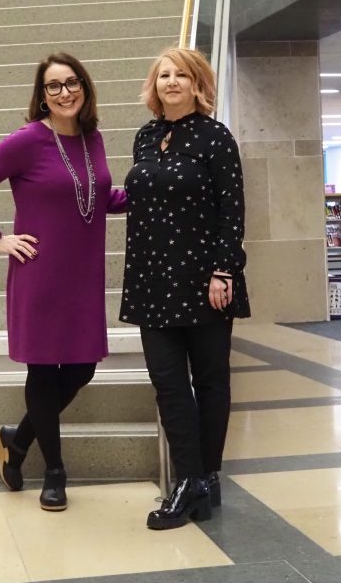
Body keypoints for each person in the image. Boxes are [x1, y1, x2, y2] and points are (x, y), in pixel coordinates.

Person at [0, 52, 127, 512]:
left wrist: (145, 192)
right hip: (41, 274)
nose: (65, 92)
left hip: (83, 276)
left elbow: (95, 196)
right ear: (42, 95)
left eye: (72, 83)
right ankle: (54, 472)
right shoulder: (29, 140)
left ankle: (16, 440)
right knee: (44, 370)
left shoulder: (92, 138)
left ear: (84, 87)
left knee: (82, 369)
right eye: (54, 86)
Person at [120, 47, 250, 530]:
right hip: (152, 280)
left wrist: (224, 271)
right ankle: (191, 479)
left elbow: (232, 210)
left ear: (198, 85)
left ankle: (204, 477)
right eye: (163, 76)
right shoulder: (146, 137)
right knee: (169, 384)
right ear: (153, 86)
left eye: (181, 75)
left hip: (204, 280)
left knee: (211, 381)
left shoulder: (216, 137)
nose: (171, 82)